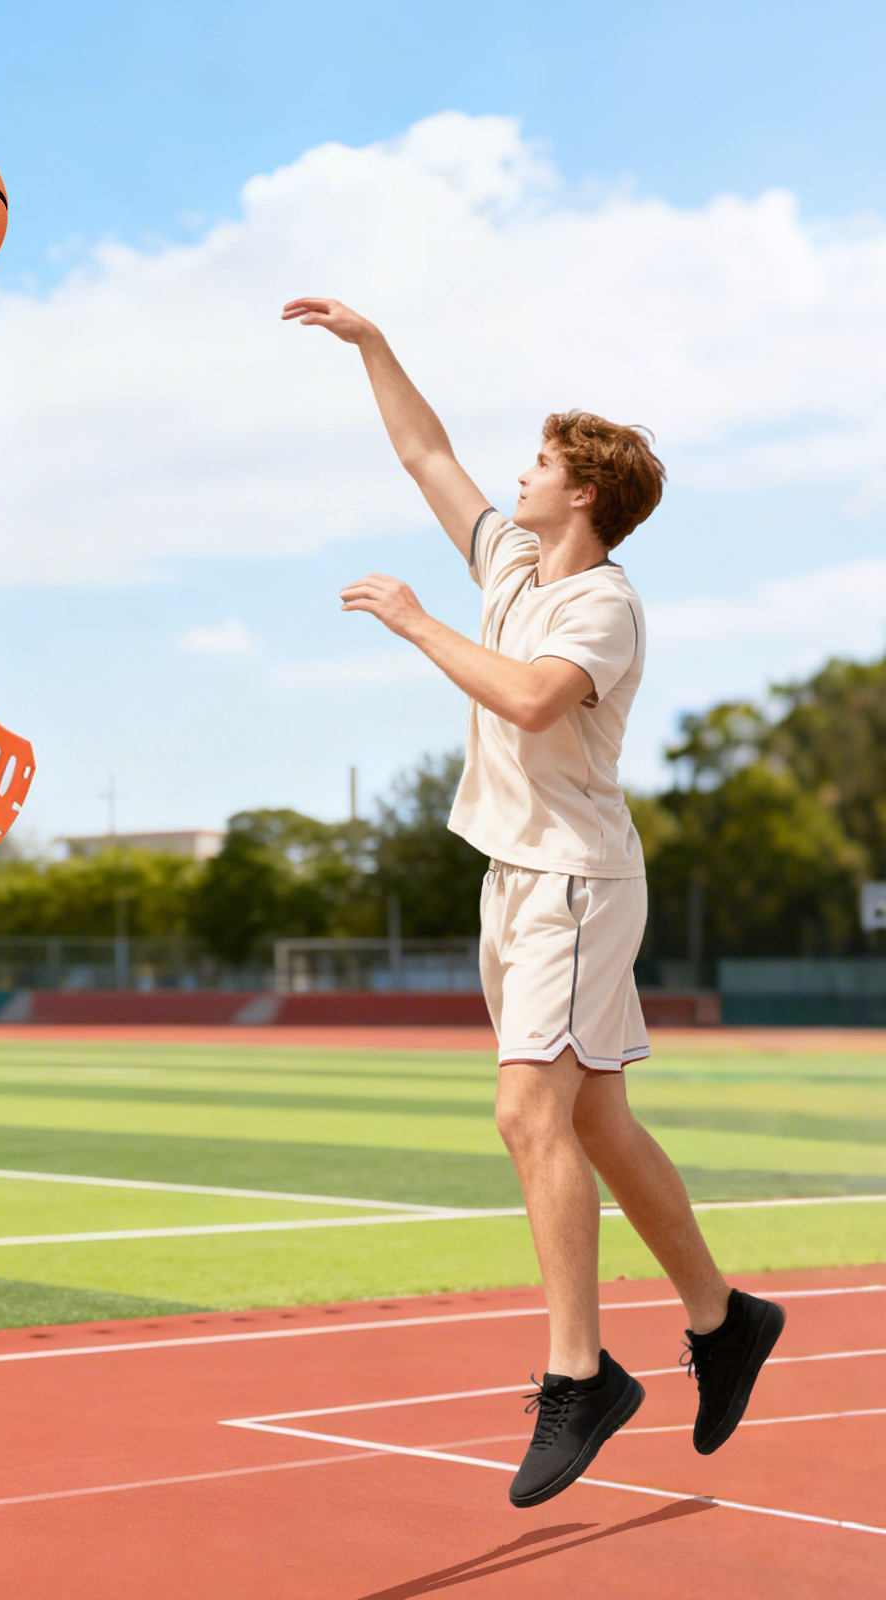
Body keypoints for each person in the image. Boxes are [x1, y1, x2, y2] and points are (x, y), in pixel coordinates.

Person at [282, 295, 786, 1508]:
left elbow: (528, 699)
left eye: (540, 465)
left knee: (526, 1113)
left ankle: (581, 1373)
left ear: (584, 498)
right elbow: (425, 452)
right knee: (597, 1121)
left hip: (572, 881)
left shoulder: (599, 604)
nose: (517, 475)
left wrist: (414, 623)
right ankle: (724, 1321)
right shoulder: (511, 559)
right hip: (519, 876)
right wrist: (369, 345)